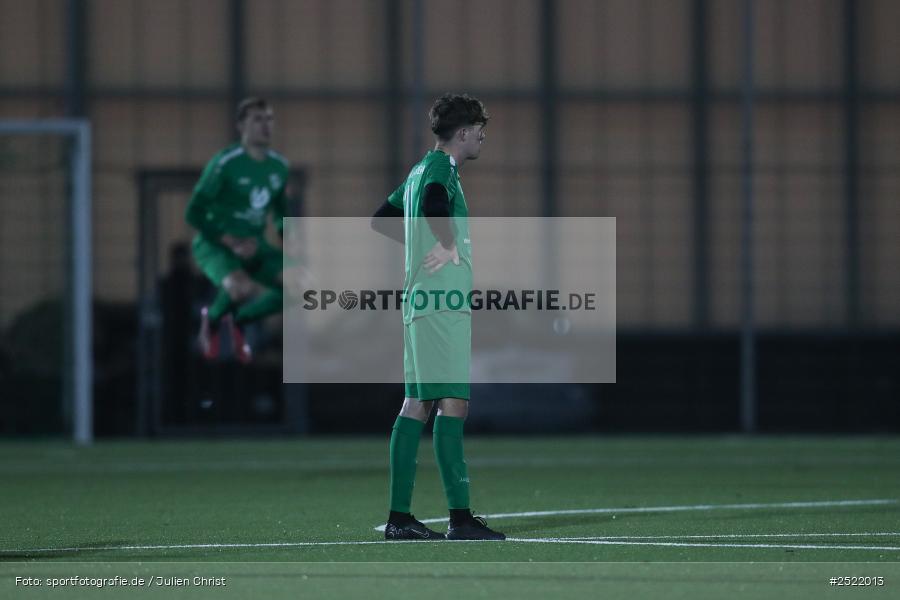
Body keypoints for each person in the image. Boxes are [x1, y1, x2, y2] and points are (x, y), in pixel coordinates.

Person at [371, 93, 505, 541]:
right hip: (441, 304)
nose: (483, 137)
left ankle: (407, 518)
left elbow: (381, 219)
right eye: (480, 130)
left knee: (422, 403)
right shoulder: (440, 170)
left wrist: (422, 245)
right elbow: (433, 204)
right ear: (463, 132)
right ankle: (455, 519)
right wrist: (445, 244)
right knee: (448, 404)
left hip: (420, 301)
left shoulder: (417, 171)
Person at [185, 97, 289, 363]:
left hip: (254, 244)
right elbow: (194, 212)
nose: (265, 125)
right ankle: (213, 319)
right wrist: (230, 241)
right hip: (216, 244)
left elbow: (280, 212)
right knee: (241, 288)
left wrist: (286, 236)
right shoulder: (225, 163)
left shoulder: (279, 166)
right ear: (241, 126)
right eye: (257, 119)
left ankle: (241, 320)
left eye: (269, 119)